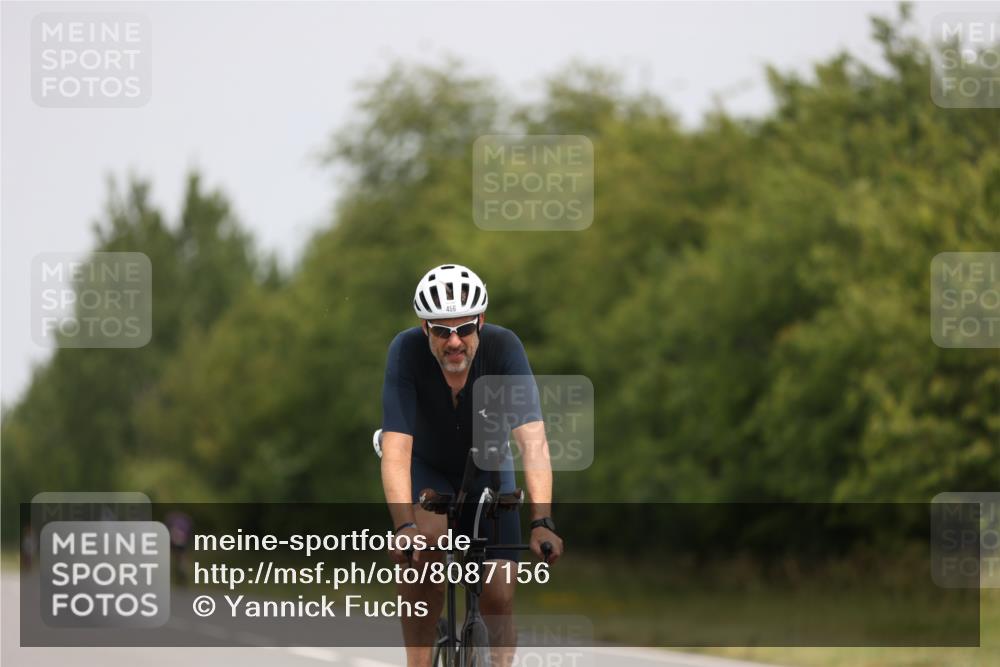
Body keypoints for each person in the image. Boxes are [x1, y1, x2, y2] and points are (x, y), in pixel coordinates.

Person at [380, 263, 564, 667]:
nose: (454, 341)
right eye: (441, 330)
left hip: (488, 467)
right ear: (424, 328)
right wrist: (403, 526)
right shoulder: (405, 352)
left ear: (481, 321)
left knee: (498, 594)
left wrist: (542, 520)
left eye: (464, 328)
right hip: (426, 467)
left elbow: (532, 442)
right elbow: (396, 451)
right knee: (422, 562)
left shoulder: (505, 349)